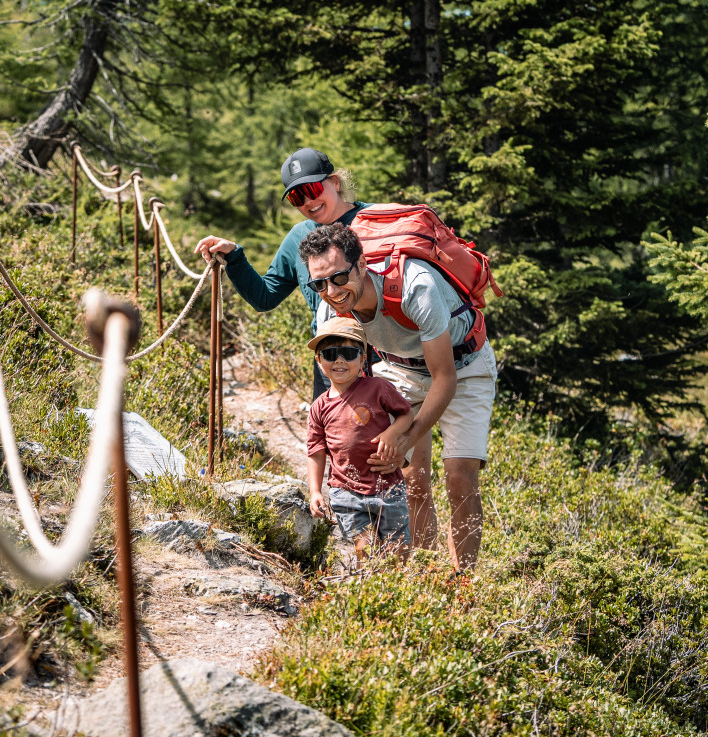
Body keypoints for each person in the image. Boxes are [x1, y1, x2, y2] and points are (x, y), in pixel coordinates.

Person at [298, 223, 498, 574]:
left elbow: (445, 378)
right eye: (320, 283)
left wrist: (404, 434)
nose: (331, 291)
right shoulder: (330, 310)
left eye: (339, 277)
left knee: (459, 476)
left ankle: (463, 581)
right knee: (410, 477)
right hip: (398, 368)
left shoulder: (415, 287)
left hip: (464, 366)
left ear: (361, 265)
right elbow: (341, 378)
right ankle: (423, 575)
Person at [195, 148, 366, 399]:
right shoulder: (299, 237)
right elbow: (265, 297)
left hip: (382, 357)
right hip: (331, 359)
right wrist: (234, 256)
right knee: (332, 435)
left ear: (335, 182)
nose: (308, 202)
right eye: (297, 197)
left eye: (313, 190)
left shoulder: (374, 220)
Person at [306, 317, 413, 562]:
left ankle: (400, 592)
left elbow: (406, 414)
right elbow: (315, 450)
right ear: (318, 359)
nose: (340, 360)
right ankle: (370, 588)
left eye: (349, 353)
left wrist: (391, 433)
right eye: (331, 353)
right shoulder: (319, 407)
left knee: (398, 552)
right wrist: (315, 491)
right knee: (363, 548)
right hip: (346, 491)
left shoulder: (378, 388)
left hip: (388, 487)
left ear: (363, 358)